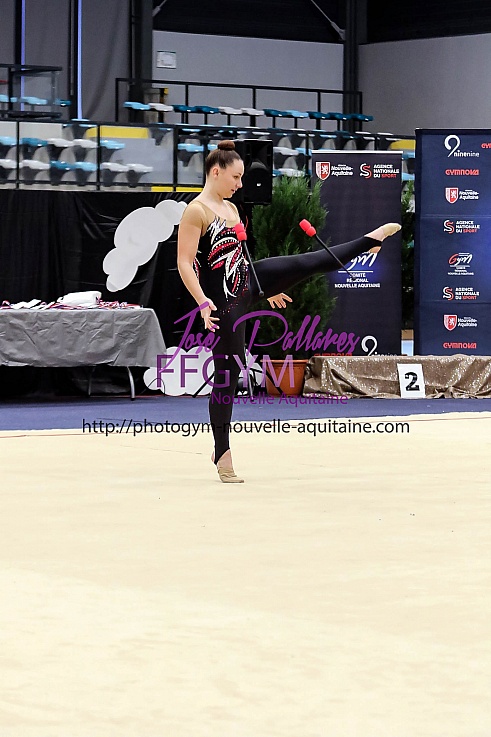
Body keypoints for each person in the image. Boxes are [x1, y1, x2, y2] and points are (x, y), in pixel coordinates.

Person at [177, 140, 400, 483]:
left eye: (241, 178)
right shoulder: (196, 211)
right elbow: (184, 263)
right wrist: (203, 303)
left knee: (306, 262)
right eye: (235, 177)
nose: (240, 184)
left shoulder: (232, 209)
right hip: (223, 304)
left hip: (248, 282)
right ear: (216, 172)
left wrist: (265, 290)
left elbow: (239, 258)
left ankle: (368, 240)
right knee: (227, 378)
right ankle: (221, 450)